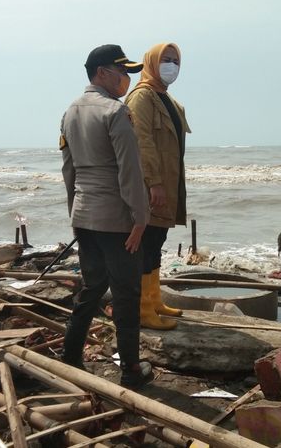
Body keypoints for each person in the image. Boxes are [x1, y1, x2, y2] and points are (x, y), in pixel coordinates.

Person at [59, 44, 153, 389]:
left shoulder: (70, 112)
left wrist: (74, 211)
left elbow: (68, 169)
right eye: (122, 71)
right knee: (126, 293)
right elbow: (129, 171)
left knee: (92, 285)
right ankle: (130, 368)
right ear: (102, 73)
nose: (127, 78)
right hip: (117, 220)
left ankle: (70, 356)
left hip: (85, 214)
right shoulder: (115, 112)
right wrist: (140, 218)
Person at [125, 43, 190, 330]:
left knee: (157, 244)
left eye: (176, 61)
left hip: (168, 185)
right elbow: (142, 143)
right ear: (151, 62)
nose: (171, 66)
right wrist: (154, 182)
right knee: (146, 244)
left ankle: (154, 300)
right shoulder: (141, 97)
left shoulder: (170, 101)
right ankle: (142, 309)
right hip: (151, 186)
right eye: (166, 60)